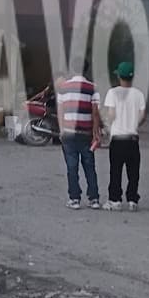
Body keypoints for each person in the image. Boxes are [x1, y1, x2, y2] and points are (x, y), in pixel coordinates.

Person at [56, 62, 102, 210]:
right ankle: (94, 199)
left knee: (71, 166)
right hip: (85, 133)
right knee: (89, 166)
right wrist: (96, 132)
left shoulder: (63, 88)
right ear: (87, 69)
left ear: (73, 69)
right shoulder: (92, 88)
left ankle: (74, 199)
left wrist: (62, 130)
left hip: (68, 133)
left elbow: (61, 111)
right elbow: (95, 112)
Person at [103, 60, 146, 210]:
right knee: (133, 171)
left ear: (119, 77)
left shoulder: (112, 93)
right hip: (132, 138)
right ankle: (132, 199)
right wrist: (134, 124)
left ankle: (115, 200)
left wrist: (108, 127)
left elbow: (111, 114)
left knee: (116, 170)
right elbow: (142, 115)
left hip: (118, 138)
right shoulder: (139, 94)